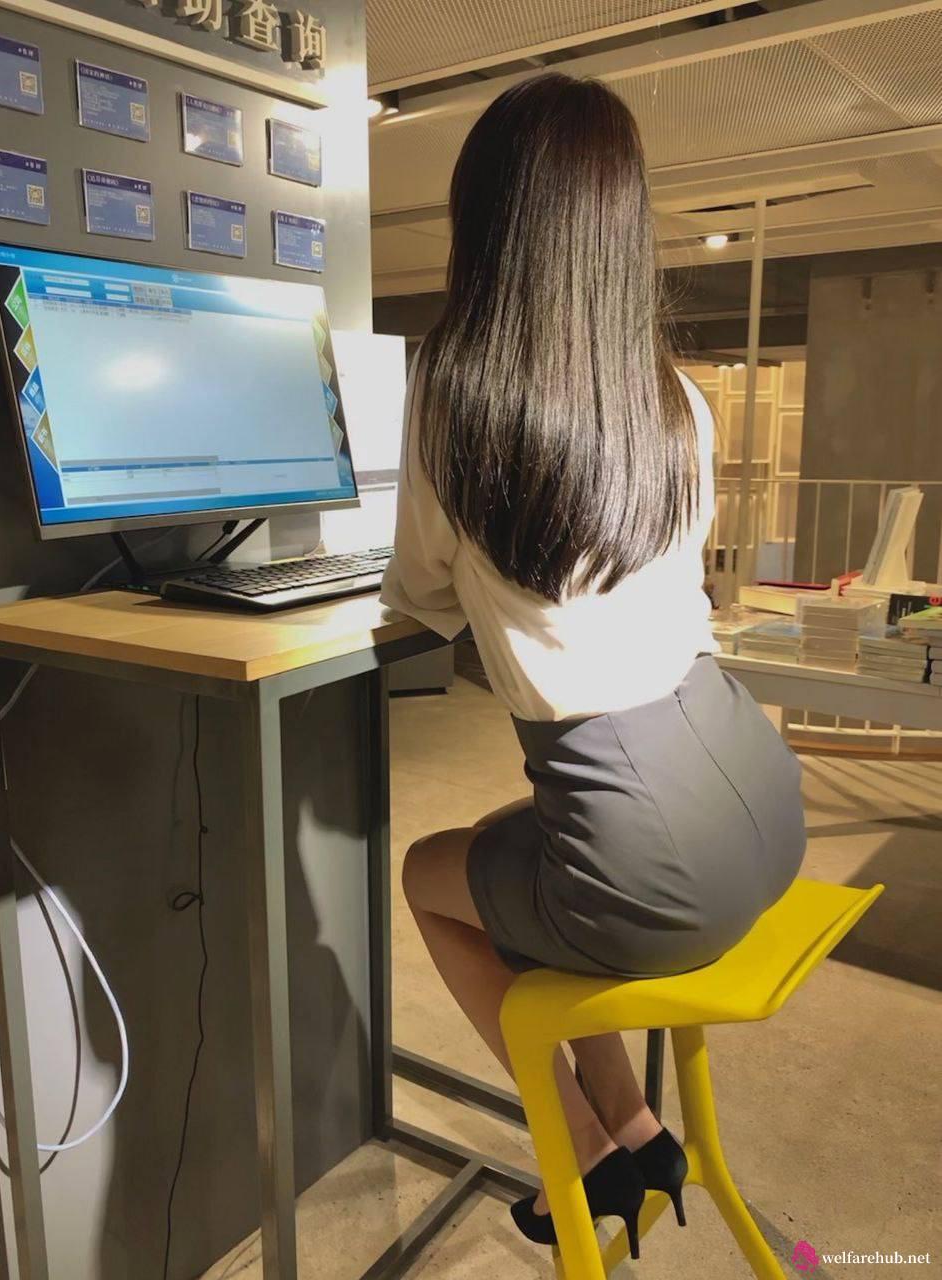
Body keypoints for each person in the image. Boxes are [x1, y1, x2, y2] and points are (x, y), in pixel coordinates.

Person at [379, 72, 807, 1257]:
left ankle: (576, 1147)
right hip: (755, 791)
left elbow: (419, 592)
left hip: (641, 857)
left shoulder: (454, 394)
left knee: (425, 870)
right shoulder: (673, 403)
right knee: (509, 846)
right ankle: (636, 1126)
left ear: (485, 216)